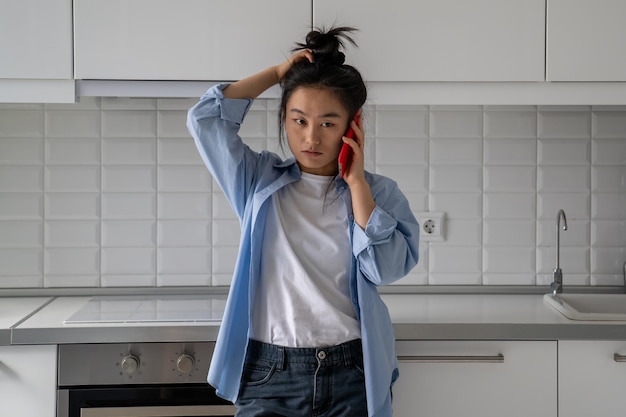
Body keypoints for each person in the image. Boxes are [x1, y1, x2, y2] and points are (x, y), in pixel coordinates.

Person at [187, 26, 420, 417]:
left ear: (353, 125)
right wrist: (279, 73)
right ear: (285, 120)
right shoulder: (258, 182)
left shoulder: (379, 193)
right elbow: (206, 120)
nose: (311, 137)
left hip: (351, 371)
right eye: (298, 121)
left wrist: (357, 184)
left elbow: (386, 269)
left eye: (328, 123)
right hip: (268, 372)